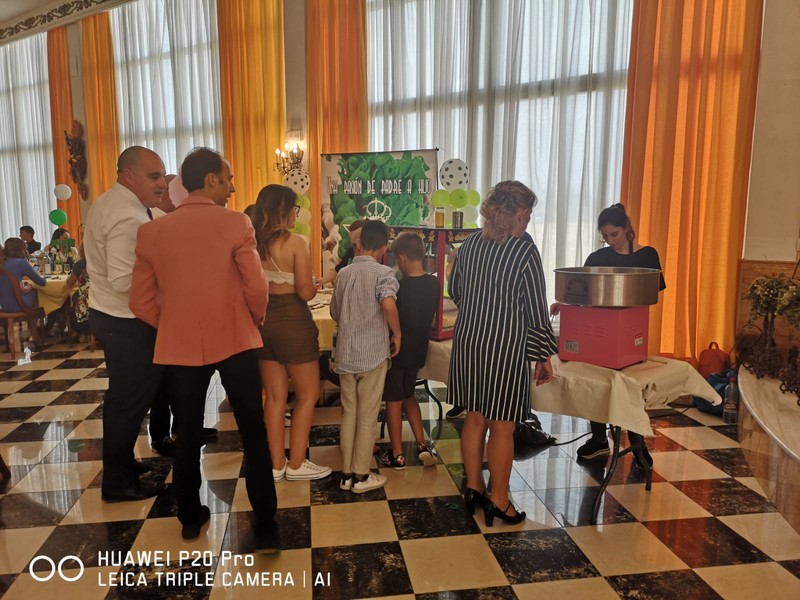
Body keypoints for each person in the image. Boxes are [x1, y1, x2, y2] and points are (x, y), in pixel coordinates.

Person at [130, 147, 280, 552]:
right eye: (227, 179)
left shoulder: (152, 231)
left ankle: (189, 517)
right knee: (253, 432)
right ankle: (266, 523)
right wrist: (255, 316)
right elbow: (256, 285)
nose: (231, 188)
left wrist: (173, 324)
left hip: (180, 347)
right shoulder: (235, 222)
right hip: (236, 340)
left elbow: (140, 302)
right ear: (210, 179)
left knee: (186, 433)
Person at [448, 180, 557, 526]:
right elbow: (536, 309)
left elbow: (456, 291)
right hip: (505, 347)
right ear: (520, 213)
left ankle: (474, 488)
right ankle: (498, 499)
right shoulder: (524, 250)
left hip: (468, 342)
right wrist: (543, 355)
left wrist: (479, 313)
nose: (529, 220)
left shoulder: (469, 245)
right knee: (503, 426)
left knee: (474, 417)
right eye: (529, 213)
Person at [551, 203, 666, 467]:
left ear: (626, 228)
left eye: (614, 234)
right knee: (597, 386)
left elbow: (655, 290)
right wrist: (564, 303)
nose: (610, 241)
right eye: (605, 236)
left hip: (630, 330)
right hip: (599, 330)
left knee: (631, 386)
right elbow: (582, 292)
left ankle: (637, 442)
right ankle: (599, 439)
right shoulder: (597, 258)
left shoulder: (647, 256)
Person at [84, 146, 168, 502]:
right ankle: (118, 483)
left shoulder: (117, 203)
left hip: (112, 315)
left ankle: (123, 466)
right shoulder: (126, 217)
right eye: (154, 176)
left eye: (162, 176)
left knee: (126, 399)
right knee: (127, 402)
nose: (163, 184)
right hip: (126, 321)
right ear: (128, 175)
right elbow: (123, 281)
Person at [251, 184, 331, 482]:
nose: (296, 214)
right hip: (293, 322)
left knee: (274, 397)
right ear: (284, 210)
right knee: (308, 394)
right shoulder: (296, 242)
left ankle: (276, 464)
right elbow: (305, 292)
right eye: (294, 208)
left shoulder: (252, 242)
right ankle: (297, 463)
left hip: (263, 322)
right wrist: (317, 282)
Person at [145, 174, 217, 457]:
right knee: (162, 382)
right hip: (163, 317)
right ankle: (160, 435)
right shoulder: (155, 225)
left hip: (185, 316)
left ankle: (187, 429)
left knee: (183, 380)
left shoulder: (178, 222)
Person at [330, 219, 401, 494]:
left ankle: (346, 474)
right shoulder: (384, 273)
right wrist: (397, 333)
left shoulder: (344, 273)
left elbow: (335, 312)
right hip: (372, 355)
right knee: (368, 414)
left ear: (359, 244)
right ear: (385, 248)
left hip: (346, 355)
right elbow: (388, 304)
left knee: (349, 413)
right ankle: (361, 476)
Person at [381, 232, 440, 469]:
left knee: (393, 400)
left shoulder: (399, 287)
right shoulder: (434, 283)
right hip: (418, 349)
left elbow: (390, 318)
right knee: (409, 394)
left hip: (397, 350)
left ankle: (397, 454)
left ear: (402, 258)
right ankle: (422, 444)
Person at [0, 237, 45, 310]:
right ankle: (35, 315)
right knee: (36, 291)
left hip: (4, 306)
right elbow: (41, 282)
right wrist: (46, 277)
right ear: (21, 249)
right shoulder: (21, 262)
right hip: (19, 305)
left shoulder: (3, 264)